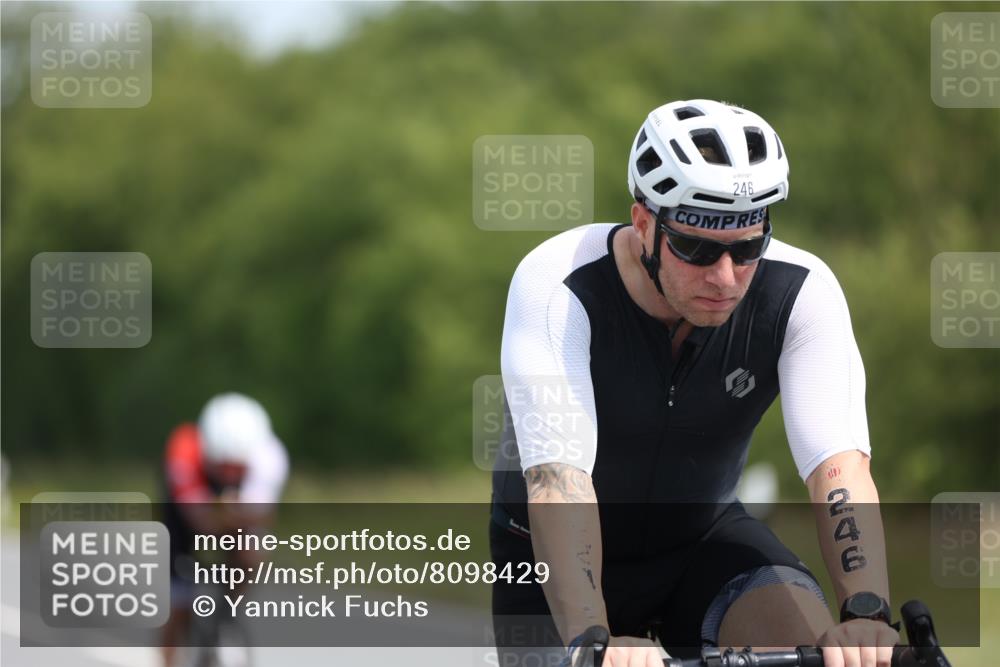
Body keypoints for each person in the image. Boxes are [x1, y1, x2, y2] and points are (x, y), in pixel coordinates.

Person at [491, 99, 898, 667]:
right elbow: (560, 482)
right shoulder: (558, 283)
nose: (724, 277)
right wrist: (591, 638)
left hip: (702, 539)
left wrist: (867, 613)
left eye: (747, 248)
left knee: (810, 647)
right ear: (642, 225)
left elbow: (839, 466)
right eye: (697, 248)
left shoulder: (801, 293)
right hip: (550, 553)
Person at [160, 393, 289, 667]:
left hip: (233, 513)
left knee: (255, 550)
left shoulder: (270, 457)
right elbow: (200, 522)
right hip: (183, 516)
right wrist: (227, 513)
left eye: (238, 468)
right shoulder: (183, 450)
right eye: (223, 466)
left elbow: (261, 515)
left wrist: (233, 519)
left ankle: (226, 615)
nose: (230, 475)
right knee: (178, 603)